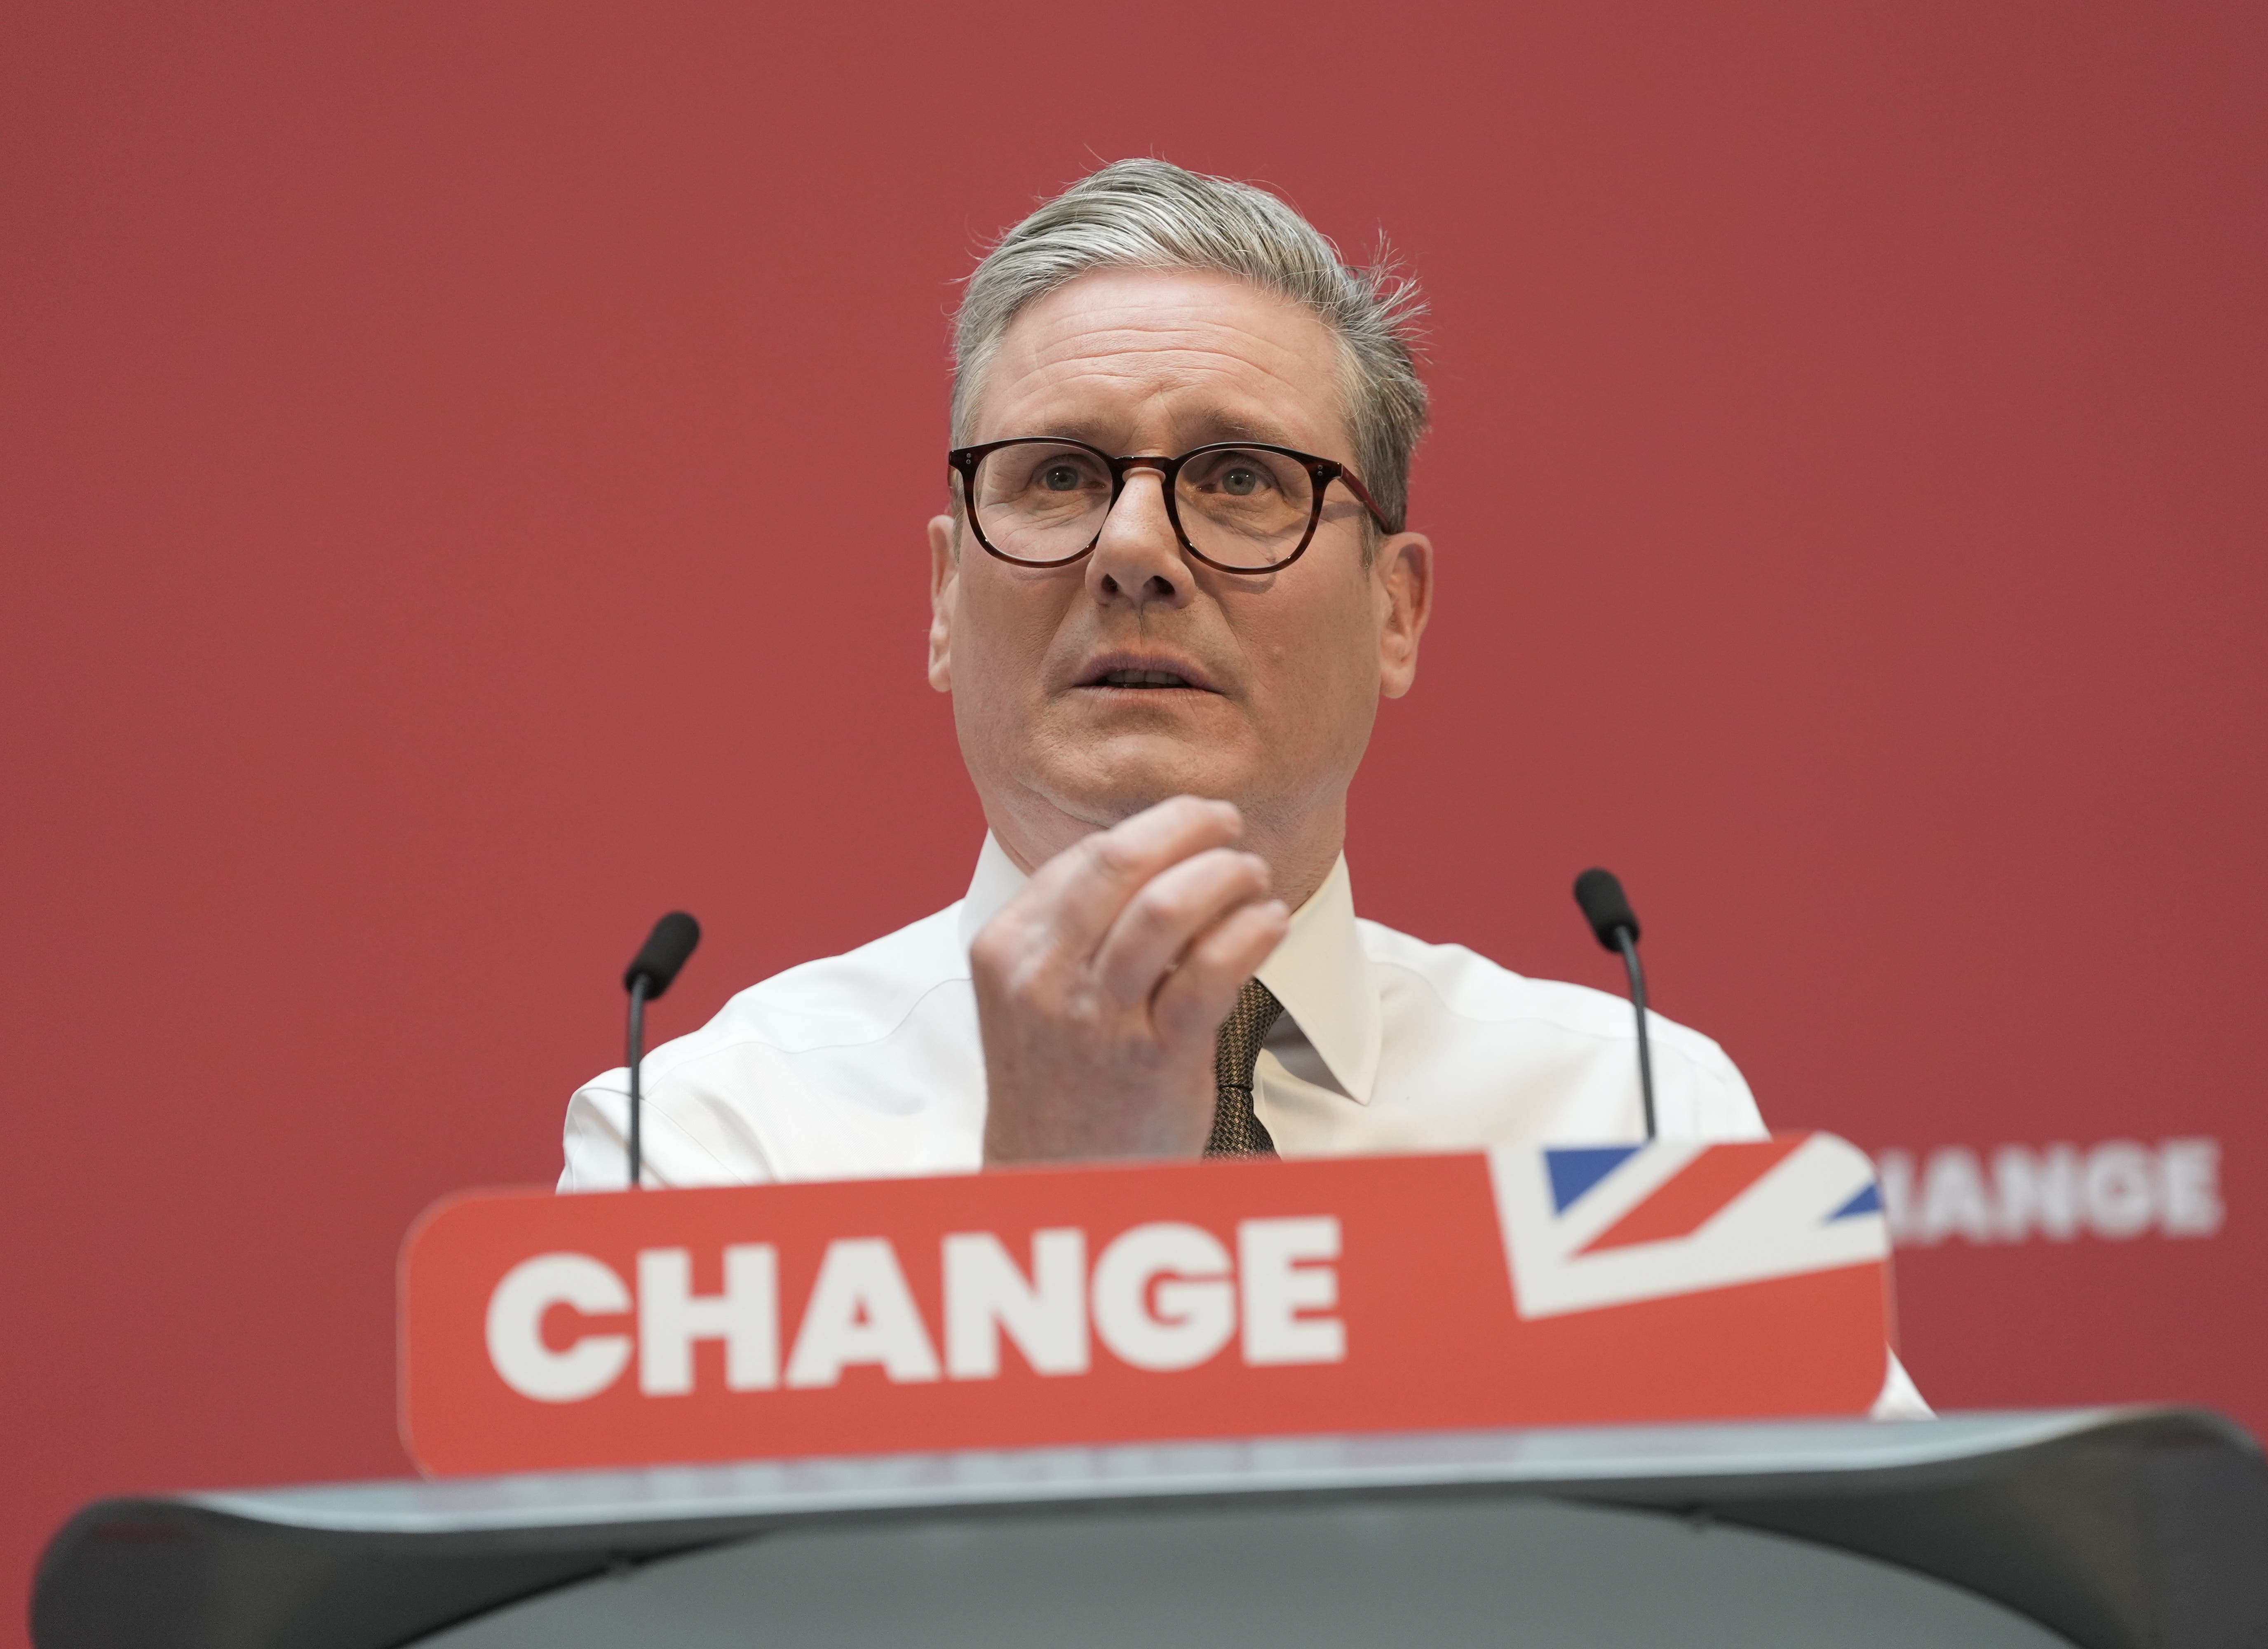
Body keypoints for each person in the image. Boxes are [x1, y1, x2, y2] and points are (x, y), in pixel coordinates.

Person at [558, 159, 1925, 1416]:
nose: (1136, 550)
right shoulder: (715, 1144)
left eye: (1239, 479)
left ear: (1397, 611)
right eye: (1057, 477)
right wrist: (1045, 1223)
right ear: (941, 600)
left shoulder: (1629, 1117)